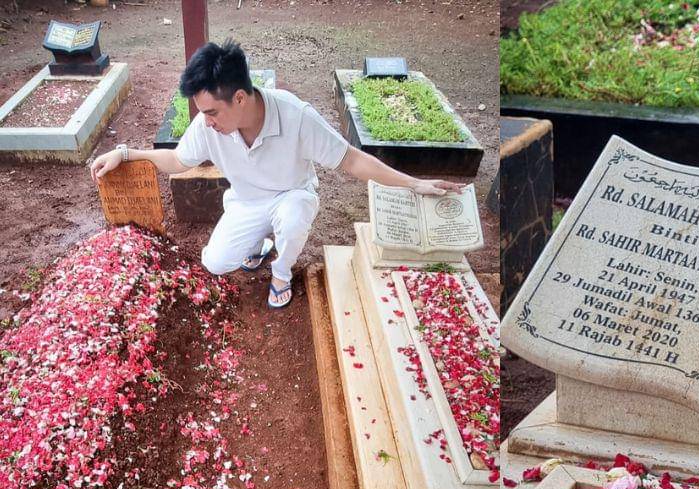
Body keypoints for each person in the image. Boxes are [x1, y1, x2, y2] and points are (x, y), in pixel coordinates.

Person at [89, 40, 462, 308]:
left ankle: (281, 272)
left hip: (291, 195)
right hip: (248, 201)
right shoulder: (209, 127)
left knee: (294, 215)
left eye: (212, 112)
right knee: (215, 262)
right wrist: (126, 153)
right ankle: (259, 244)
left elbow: (350, 159)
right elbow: (178, 161)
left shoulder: (296, 116)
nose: (206, 122)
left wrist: (415, 183)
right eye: (202, 112)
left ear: (239, 97)